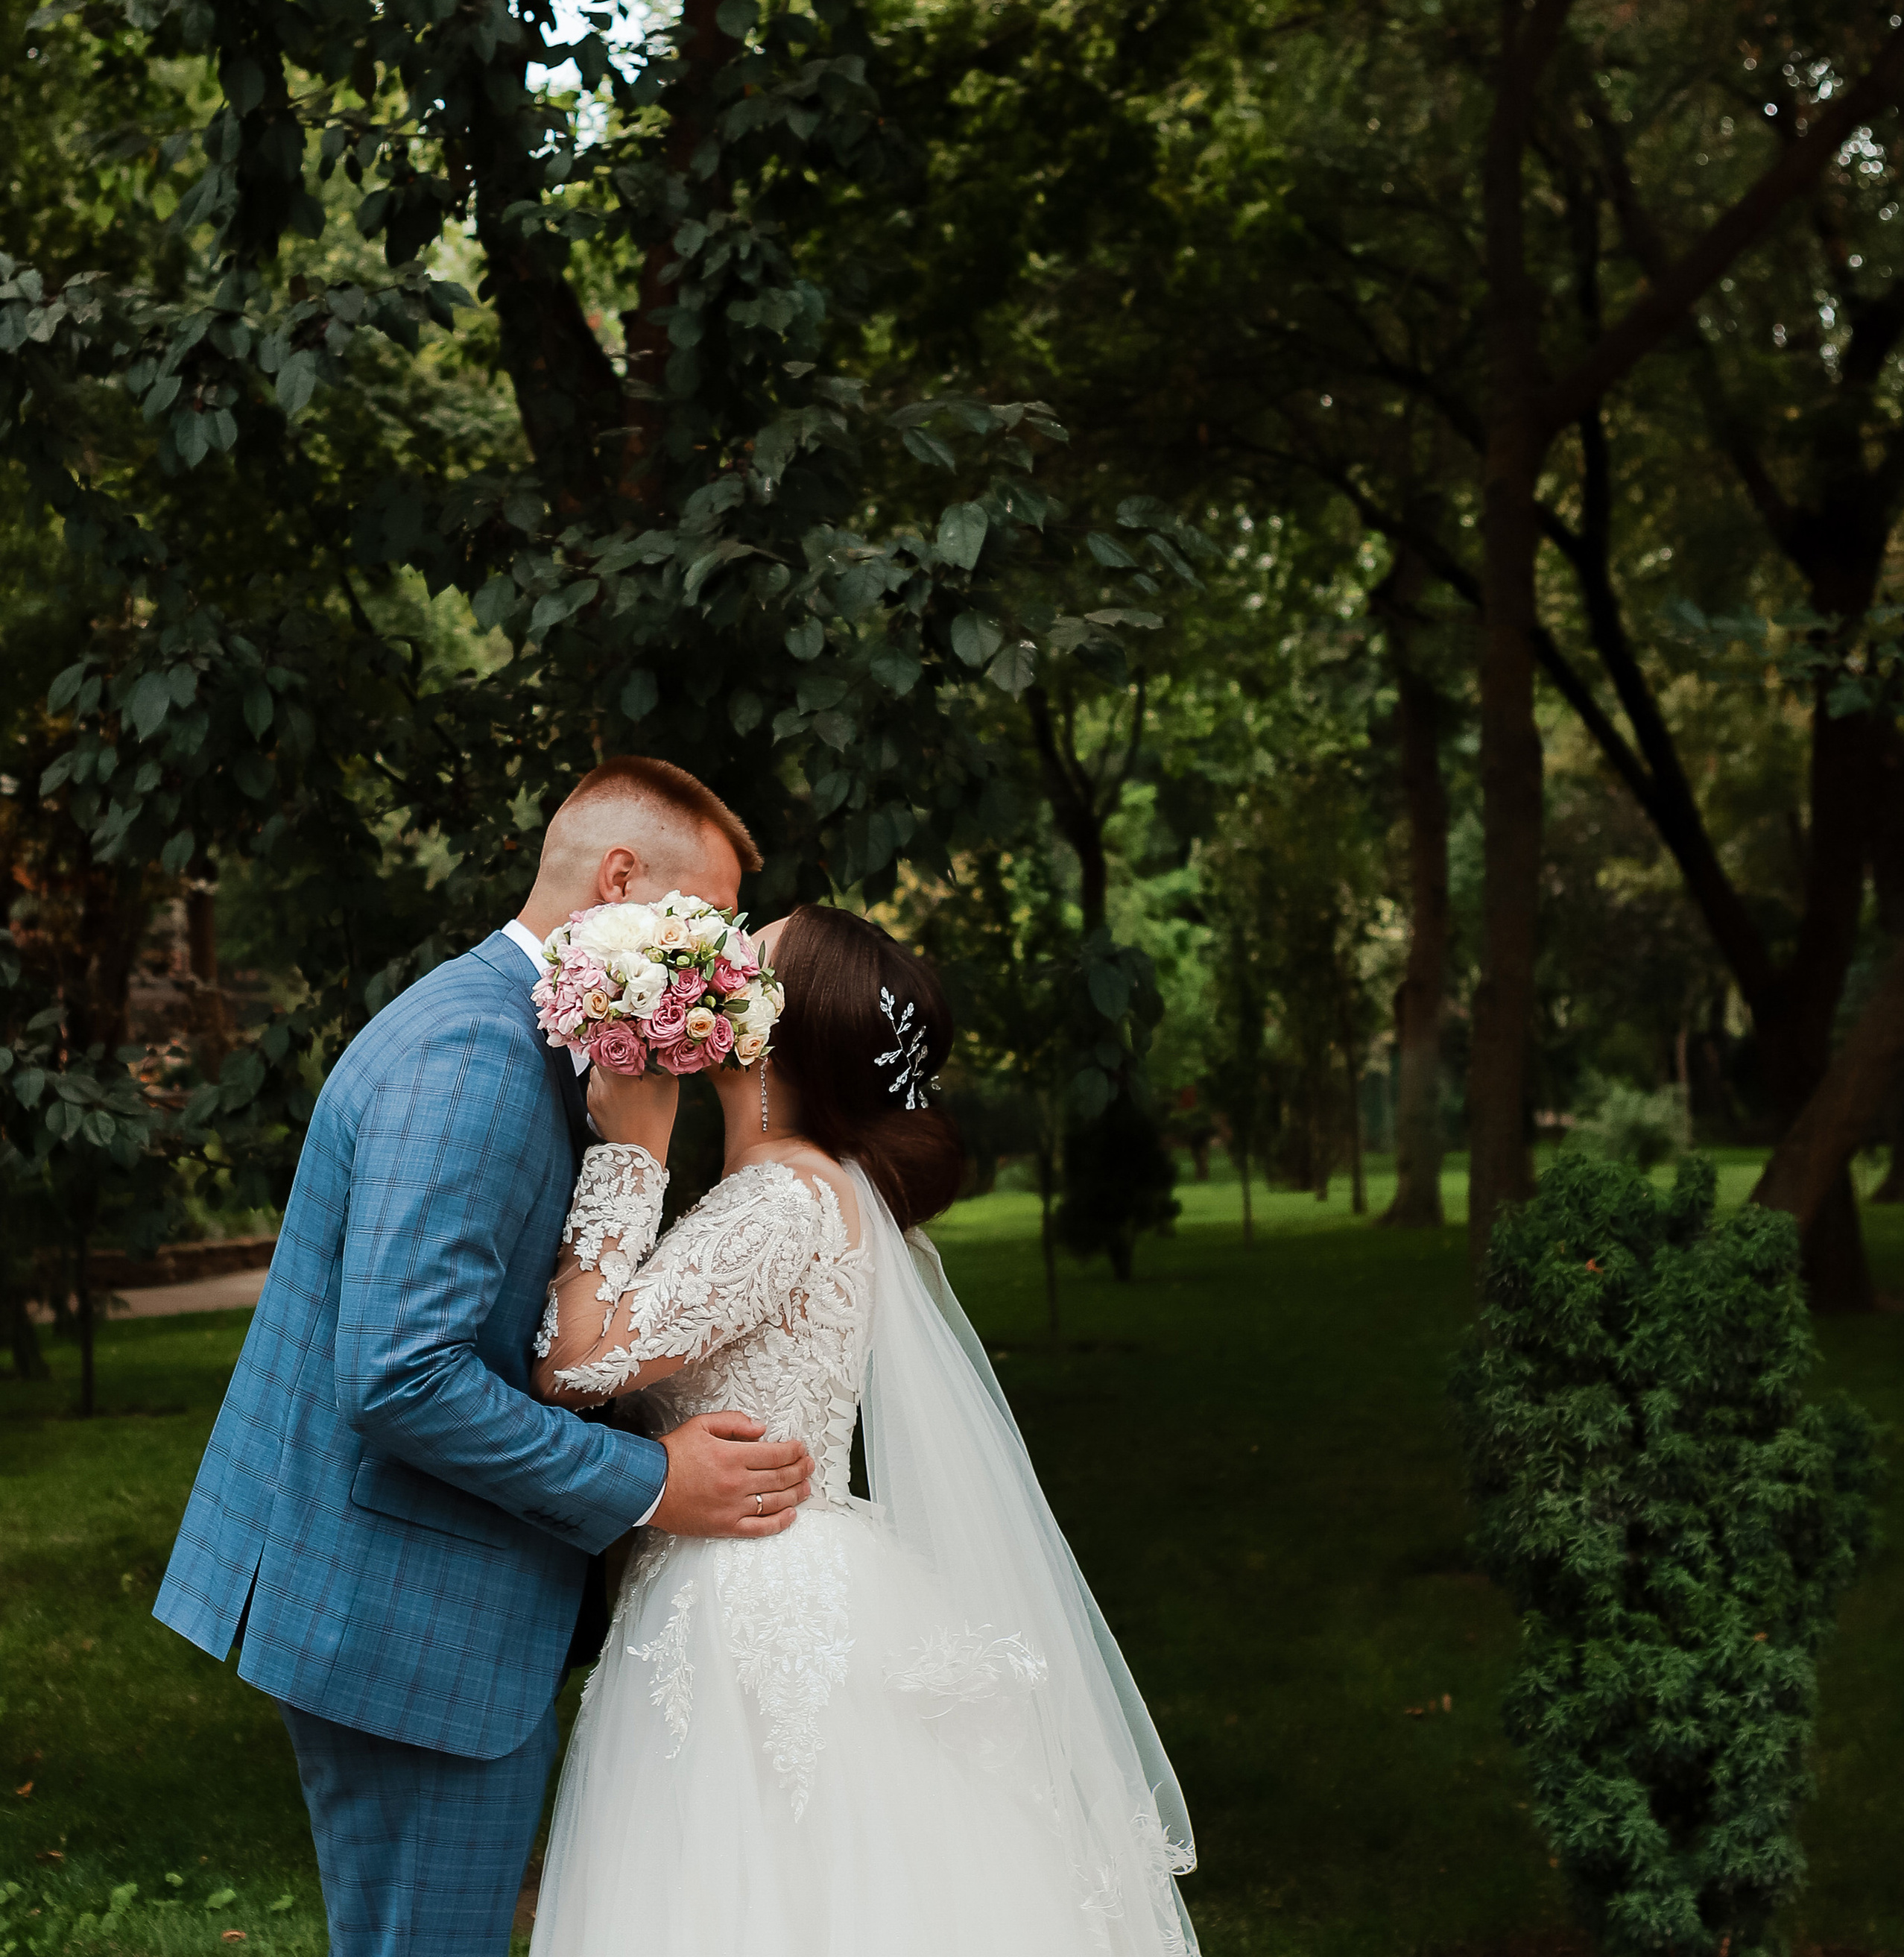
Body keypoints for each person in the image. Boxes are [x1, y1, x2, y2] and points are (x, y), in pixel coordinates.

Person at [153, 757, 814, 1957]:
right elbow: (406, 1374)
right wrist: (656, 1483)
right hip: (407, 1622)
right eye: (708, 920)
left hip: (413, 1596)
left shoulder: (509, 1032)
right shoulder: (472, 1057)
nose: (720, 957)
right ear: (620, 882)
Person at [528, 902, 1198, 1957]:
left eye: (747, 962)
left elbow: (575, 1363)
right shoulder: (798, 1187)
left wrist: (631, 1153)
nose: (718, 970)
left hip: (748, 1598)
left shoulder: (785, 1201)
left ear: (773, 1034)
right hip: (770, 1574)